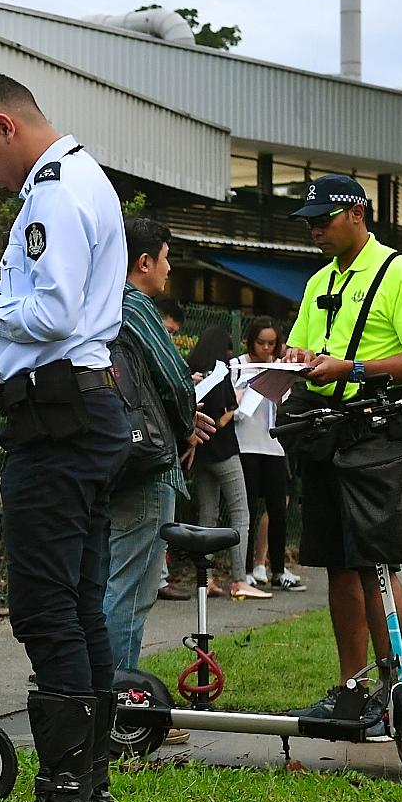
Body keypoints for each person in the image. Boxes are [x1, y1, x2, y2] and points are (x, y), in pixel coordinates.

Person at [0, 73, 128, 802]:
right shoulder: (78, 181)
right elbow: (45, 297)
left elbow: (52, 314)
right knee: (79, 606)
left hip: (59, 422)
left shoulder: (52, 193)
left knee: (49, 611)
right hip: (77, 414)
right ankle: (90, 794)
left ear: (5, 125)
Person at [281, 174, 402, 735]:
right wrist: (296, 360)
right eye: (310, 221)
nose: (316, 229)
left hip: (375, 437)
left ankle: (396, 687)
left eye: (323, 218)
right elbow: (302, 352)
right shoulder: (319, 282)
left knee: (377, 561)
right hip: (324, 435)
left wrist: (352, 369)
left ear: (358, 213)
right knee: (337, 565)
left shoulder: (401, 274)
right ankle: (354, 688)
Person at [102, 218, 213, 672]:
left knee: (109, 581)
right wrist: (186, 422)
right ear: (144, 261)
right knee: (132, 590)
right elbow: (173, 377)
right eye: (166, 259)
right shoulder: (136, 306)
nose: (168, 270)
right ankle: (121, 702)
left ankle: (95, 696)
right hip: (149, 467)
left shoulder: (97, 303)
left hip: (111, 458)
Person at [186, 327, 271, 600]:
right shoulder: (220, 372)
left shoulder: (193, 371)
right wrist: (239, 404)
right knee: (240, 513)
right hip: (224, 450)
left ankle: (205, 579)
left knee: (207, 517)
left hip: (200, 452)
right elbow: (222, 417)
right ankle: (238, 578)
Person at [232, 316, 306, 592]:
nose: (265, 348)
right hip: (245, 445)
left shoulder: (277, 366)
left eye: (271, 344)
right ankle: (247, 570)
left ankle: (278, 569)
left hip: (273, 445)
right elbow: (231, 402)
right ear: (250, 341)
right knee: (248, 510)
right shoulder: (238, 365)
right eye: (260, 342)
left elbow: (283, 402)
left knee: (278, 510)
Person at [153, 298, 192, 602]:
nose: (171, 338)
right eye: (167, 330)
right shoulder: (145, 337)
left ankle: (158, 577)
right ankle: (156, 579)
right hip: (152, 450)